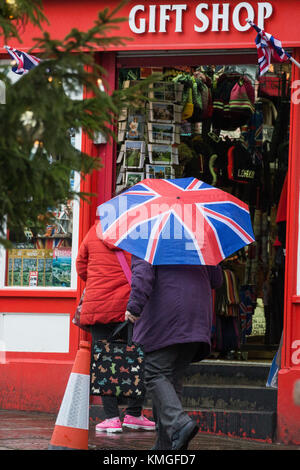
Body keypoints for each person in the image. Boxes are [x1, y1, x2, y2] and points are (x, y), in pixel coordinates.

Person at [125, 256, 223, 450]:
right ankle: (167, 445)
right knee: (171, 381)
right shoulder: (199, 237)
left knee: (153, 372)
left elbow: (143, 274)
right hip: (197, 318)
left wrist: (134, 307)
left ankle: (179, 424)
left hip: (165, 318)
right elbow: (216, 279)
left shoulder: (149, 233)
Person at [76, 221, 155, 433]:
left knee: (104, 360)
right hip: (127, 304)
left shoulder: (94, 231)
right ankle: (134, 413)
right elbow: (143, 271)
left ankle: (111, 418)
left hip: (98, 304)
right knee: (136, 357)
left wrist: (97, 282)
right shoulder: (137, 233)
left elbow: (81, 265)